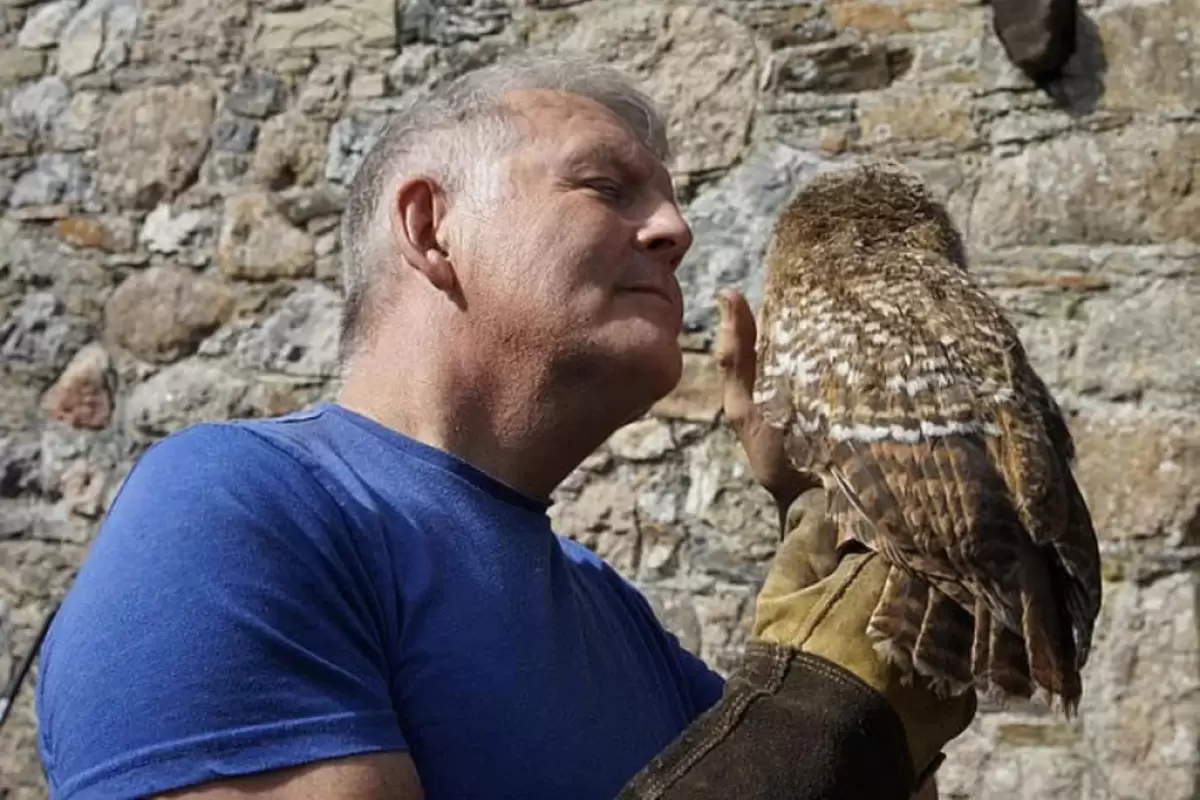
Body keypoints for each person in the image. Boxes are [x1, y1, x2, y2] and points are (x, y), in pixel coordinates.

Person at [34, 56, 974, 799]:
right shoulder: (233, 511)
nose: (676, 230)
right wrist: (815, 705)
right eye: (607, 187)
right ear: (431, 227)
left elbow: (841, 779)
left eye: (671, 202)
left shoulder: (616, 616)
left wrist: (841, 524)